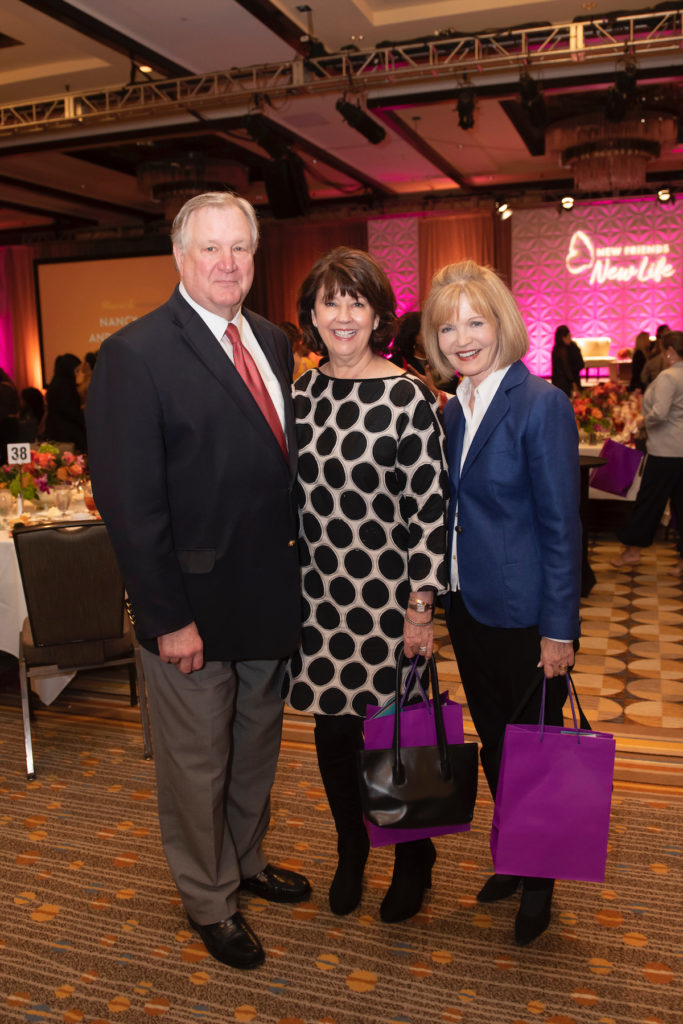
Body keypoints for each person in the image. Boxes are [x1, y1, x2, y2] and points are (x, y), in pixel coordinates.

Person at [86, 191, 310, 972]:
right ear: (180, 259)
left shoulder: (274, 342)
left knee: (253, 751)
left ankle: (244, 861)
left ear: (255, 257)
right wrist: (166, 617)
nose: (226, 263)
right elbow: (129, 504)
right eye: (209, 248)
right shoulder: (135, 354)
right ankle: (210, 900)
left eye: (239, 248)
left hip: (266, 600)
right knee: (196, 765)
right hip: (191, 613)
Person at [283, 247, 449, 924]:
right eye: (330, 300)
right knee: (333, 736)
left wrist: (419, 610)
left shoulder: (407, 396)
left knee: (395, 736)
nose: (343, 314)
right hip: (318, 601)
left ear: (377, 312)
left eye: (357, 300)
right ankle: (352, 846)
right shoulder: (298, 394)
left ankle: (413, 855)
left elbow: (429, 513)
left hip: (387, 603)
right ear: (312, 315)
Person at [422, 261, 582, 947]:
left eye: (475, 322)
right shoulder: (454, 408)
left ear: (501, 325)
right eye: (448, 326)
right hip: (470, 607)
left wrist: (558, 629)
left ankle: (539, 879)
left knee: (535, 753)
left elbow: (559, 526)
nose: (462, 338)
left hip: (524, 614)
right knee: (495, 746)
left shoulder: (538, 403)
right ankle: (516, 858)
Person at [612, 330, 683, 577]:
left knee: (648, 502)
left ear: (671, 352)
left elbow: (660, 413)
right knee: (681, 506)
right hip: (679, 448)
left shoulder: (669, 377)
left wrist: (642, 422)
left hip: (665, 450)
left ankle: (632, 550)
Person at [44, 353, 86, 451]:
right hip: (67, 432)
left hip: (56, 430)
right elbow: (69, 410)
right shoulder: (66, 386)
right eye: (76, 370)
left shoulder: (56, 383)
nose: (77, 374)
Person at [551, 324, 584, 396]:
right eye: (568, 337)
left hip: (568, 380)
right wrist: (573, 382)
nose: (570, 338)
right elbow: (566, 369)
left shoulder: (571, 347)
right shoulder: (560, 350)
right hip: (564, 384)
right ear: (563, 338)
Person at [640, 323, 669, 390]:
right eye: (667, 331)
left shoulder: (654, 353)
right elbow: (644, 376)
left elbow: (644, 377)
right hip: (660, 386)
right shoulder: (656, 354)